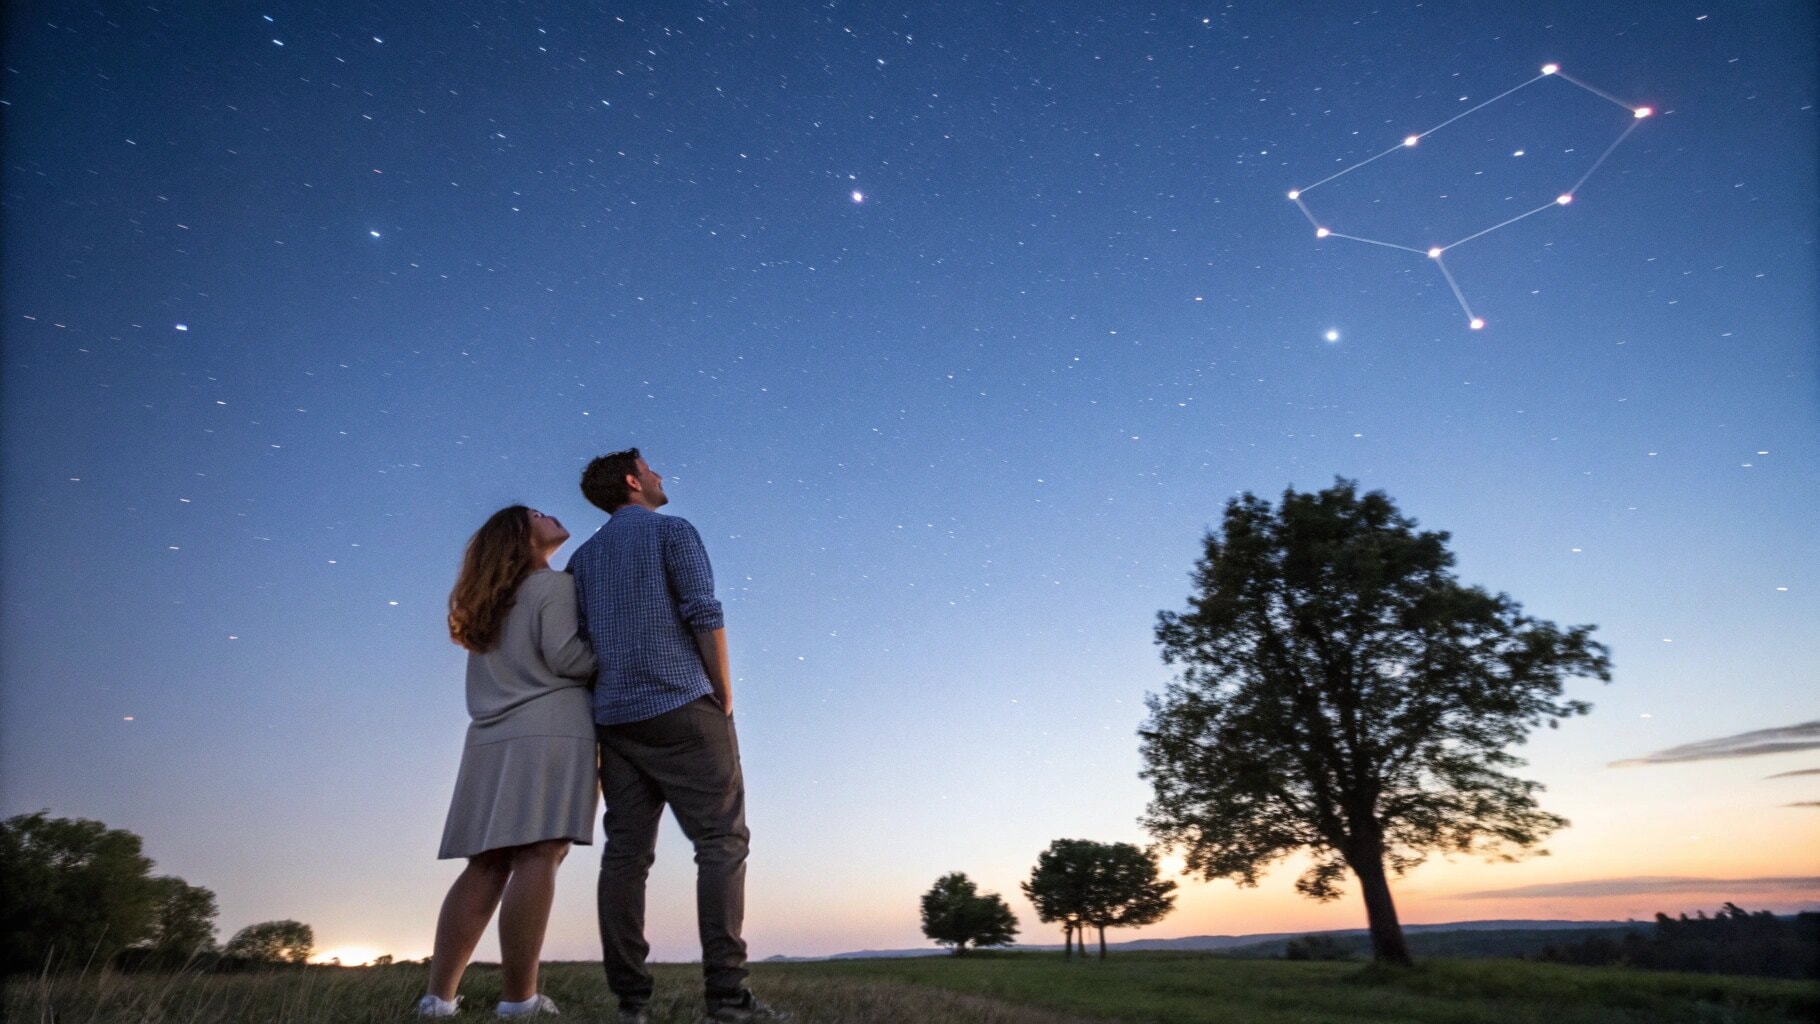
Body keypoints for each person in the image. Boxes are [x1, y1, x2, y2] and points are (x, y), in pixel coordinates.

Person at [568, 449, 788, 1024]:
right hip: (683, 706)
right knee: (721, 844)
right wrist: (724, 691)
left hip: (616, 721)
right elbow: (703, 609)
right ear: (633, 481)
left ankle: (631, 1005)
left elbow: (580, 642)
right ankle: (727, 999)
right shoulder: (673, 531)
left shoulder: (582, 560)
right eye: (652, 467)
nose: (663, 474)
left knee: (626, 857)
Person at [417, 506, 597, 1019]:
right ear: (521, 537)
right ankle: (520, 1001)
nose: (552, 513)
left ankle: (438, 999)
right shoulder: (552, 585)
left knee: (487, 863)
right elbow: (568, 659)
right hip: (550, 730)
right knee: (540, 855)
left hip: (489, 738)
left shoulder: (489, 603)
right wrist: (624, 654)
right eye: (538, 515)